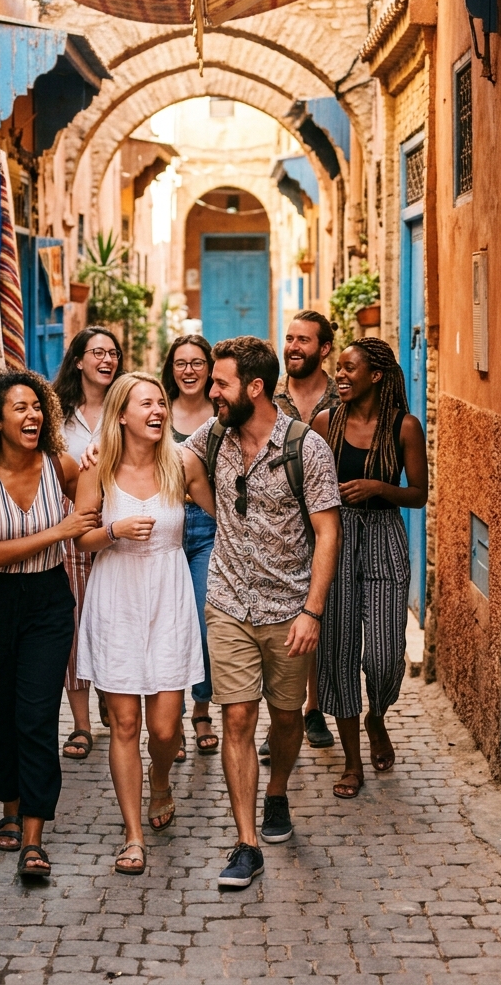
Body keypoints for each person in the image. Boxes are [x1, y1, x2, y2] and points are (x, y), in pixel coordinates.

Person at [182, 337, 342, 889]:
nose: (212, 392)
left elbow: (327, 532)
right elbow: (171, 457)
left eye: (221, 383)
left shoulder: (306, 448)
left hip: (287, 610)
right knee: (237, 718)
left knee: (288, 716)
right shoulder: (215, 434)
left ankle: (278, 794)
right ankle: (246, 842)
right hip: (227, 601)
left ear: (253, 388)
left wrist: (312, 612)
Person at [0, 370, 99, 877]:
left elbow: (92, 501)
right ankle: (9, 810)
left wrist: (97, 474)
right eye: (20, 408)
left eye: (37, 407)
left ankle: (34, 836)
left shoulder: (58, 464)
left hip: (46, 601)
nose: (32, 415)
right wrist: (58, 530)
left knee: (37, 715)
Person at [74, 373, 208, 875]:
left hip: (169, 600)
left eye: (160, 403)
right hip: (118, 601)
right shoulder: (99, 469)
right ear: (122, 415)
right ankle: (132, 835)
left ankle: (161, 780)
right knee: (125, 724)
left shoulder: (182, 462)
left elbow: (224, 517)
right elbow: (79, 538)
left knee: (166, 727)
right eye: (145, 403)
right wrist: (114, 530)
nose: (157, 410)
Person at [311, 337, 428, 800]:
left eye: (348, 369)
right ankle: (352, 761)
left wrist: (380, 486)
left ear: (375, 376)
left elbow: (419, 493)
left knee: (383, 653)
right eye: (337, 368)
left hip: (384, 538)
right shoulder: (324, 423)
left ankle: (377, 714)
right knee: (338, 652)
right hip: (335, 541)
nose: (339, 375)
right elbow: (308, 488)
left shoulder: (405, 427)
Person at [52, 326, 124, 760]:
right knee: (76, 623)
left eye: (113, 353)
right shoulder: (57, 415)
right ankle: (81, 725)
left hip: (121, 531)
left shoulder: (127, 407)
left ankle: (115, 703)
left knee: (115, 622)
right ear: (78, 360)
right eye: (97, 352)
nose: (107, 359)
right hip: (75, 531)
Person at [271, 310, 341, 754]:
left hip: (331, 519)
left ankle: (315, 708)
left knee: (321, 614)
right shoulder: (270, 396)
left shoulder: (345, 393)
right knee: (283, 617)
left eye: (304, 340)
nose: (293, 347)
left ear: (324, 348)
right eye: (290, 338)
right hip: (279, 524)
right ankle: (286, 717)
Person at [161, 335, 219, 755]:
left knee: (203, 623)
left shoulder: (223, 412)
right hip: (164, 527)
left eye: (197, 362)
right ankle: (173, 718)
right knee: (167, 625)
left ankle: (201, 706)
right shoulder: (159, 410)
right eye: (181, 363)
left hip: (209, 528)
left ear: (209, 367)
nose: (189, 370)